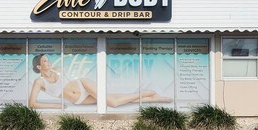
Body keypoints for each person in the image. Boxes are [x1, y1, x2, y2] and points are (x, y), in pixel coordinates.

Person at [28, 54, 173, 109]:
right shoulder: (39, 82)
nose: (49, 62)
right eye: (45, 61)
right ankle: (153, 98)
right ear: (39, 66)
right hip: (78, 100)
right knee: (115, 99)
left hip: (83, 84)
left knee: (113, 103)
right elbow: (32, 104)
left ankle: (145, 93)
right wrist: (56, 106)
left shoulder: (57, 68)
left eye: (48, 60)